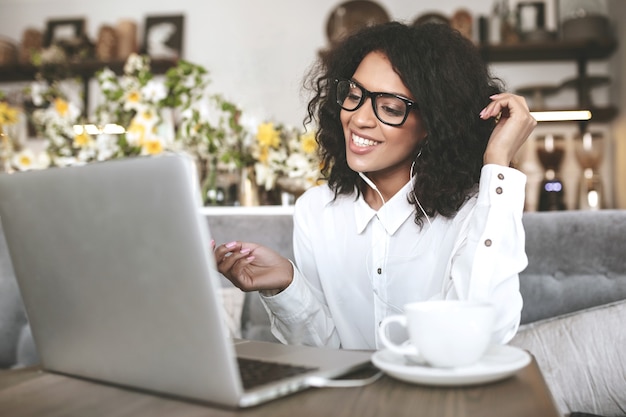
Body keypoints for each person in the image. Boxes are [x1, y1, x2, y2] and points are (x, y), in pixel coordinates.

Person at [214, 21, 536, 350]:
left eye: (389, 108)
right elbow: (324, 354)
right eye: (354, 95)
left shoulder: (475, 212)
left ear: (432, 124)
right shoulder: (316, 210)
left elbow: (480, 334)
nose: (359, 118)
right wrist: (287, 284)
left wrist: (497, 163)